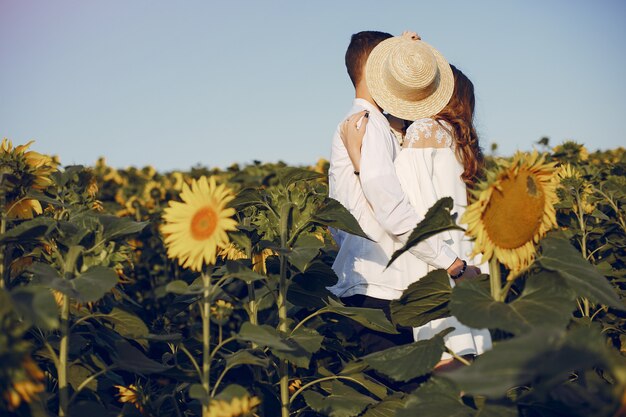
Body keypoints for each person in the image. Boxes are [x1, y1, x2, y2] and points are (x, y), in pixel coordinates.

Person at [327, 31, 481, 363]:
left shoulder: (369, 126)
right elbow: (389, 202)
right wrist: (450, 262)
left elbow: (338, 219)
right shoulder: (369, 125)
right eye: (389, 63)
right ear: (374, 69)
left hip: (374, 279)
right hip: (382, 283)